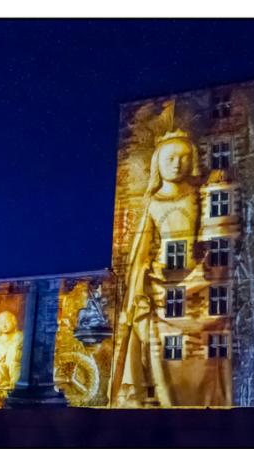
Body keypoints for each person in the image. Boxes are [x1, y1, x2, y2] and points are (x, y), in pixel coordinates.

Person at [112, 128, 201, 407]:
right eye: (170, 158)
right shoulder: (152, 202)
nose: (177, 164)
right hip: (160, 278)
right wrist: (137, 284)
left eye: (183, 158)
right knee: (153, 339)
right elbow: (141, 247)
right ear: (158, 163)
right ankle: (154, 391)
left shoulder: (198, 195)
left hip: (195, 277)